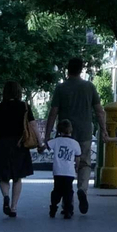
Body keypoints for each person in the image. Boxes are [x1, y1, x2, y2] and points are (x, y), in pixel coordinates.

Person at [45, 58, 106, 216]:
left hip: (65, 134)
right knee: (84, 164)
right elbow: (99, 111)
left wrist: (47, 135)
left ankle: (67, 205)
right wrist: (104, 129)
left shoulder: (61, 88)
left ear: (67, 69)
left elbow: (53, 112)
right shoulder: (89, 87)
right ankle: (82, 190)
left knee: (65, 166)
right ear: (81, 69)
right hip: (85, 132)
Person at [0, 81, 35, 218]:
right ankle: (14, 207)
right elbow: (32, 125)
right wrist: (40, 142)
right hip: (19, 144)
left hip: (3, 143)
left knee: (3, 176)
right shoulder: (24, 106)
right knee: (18, 177)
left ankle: (5, 196)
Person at [47, 119, 82, 219]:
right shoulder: (75, 143)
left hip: (58, 171)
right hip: (69, 172)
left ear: (59, 131)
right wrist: (76, 167)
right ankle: (68, 210)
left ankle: (53, 208)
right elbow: (78, 157)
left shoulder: (56, 141)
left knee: (57, 190)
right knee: (68, 191)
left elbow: (46, 146)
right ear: (71, 130)